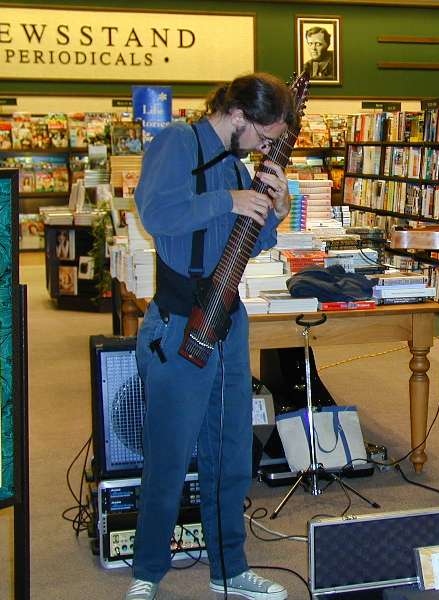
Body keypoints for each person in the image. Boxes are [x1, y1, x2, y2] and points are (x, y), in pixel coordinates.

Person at [124, 73, 295, 600]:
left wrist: (278, 208)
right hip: (179, 320)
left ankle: (229, 568)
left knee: (229, 452)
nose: (265, 144)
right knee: (169, 456)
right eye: (263, 132)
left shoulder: (235, 165)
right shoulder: (177, 143)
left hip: (227, 318)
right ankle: (146, 573)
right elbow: (157, 214)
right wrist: (231, 201)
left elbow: (254, 239)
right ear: (239, 114)